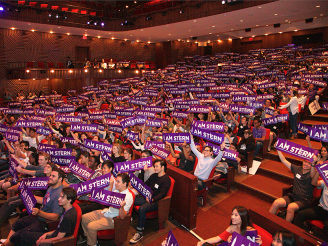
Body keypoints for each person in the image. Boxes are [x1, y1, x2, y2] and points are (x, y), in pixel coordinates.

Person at [2, 169, 65, 246]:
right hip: (38, 217)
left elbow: (55, 217)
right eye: (51, 175)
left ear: (60, 179)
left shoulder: (59, 194)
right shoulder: (52, 187)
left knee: (18, 236)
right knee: (17, 224)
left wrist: (39, 212)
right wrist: (29, 195)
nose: (50, 177)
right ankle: (6, 243)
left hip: (45, 223)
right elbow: (45, 200)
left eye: (53, 176)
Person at [81, 173, 133, 246]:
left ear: (125, 183)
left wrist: (121, 207)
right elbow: (106, 201)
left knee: (90, 226)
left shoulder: (128, 197)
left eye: (118, 182)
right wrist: (95, 196)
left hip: (113, 219)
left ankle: (92, 244)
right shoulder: (116, 191)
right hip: (106, 212)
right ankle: (90, 238)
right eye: (116, 181)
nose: (116, 183)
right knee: (84, 218)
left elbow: (122, 217)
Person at [130, 160, 171, 244]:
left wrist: (153, 199)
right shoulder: (154, 175)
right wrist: (135, 185)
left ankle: (139, 232)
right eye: (154, 166)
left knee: (142, 209)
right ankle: (129, 219)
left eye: (156, 166)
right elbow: (145, 184)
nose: (154, 168)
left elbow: (162, 194)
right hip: (147, 197)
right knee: (132, 200)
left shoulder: (166, 179)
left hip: (157, 201)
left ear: (162, 167)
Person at [269, 151, 316, 222]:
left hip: (304, 200)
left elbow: (313, 175)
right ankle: (268, 221)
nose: (306, 164)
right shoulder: (297, 169)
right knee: (276, 202)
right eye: (305, 161)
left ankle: (285, 229)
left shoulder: (313, 174)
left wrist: (313, 164)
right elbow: (284, 160)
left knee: (291, 207)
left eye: (309, 163)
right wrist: (278, 150)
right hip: (293, 196)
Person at [293, 159, 328, 241]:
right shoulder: (325, 182)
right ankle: (294, 237)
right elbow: (314, 183)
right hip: (321, 208)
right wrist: (318, 171)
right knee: (301, 214)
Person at [197, 206, 262, 246]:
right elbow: (218, 238)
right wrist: (203, 241)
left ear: (243, 217)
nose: (232, 217)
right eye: (232, 214)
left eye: (236, 215)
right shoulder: (232, 227)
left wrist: (258, 244)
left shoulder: (249, 230)